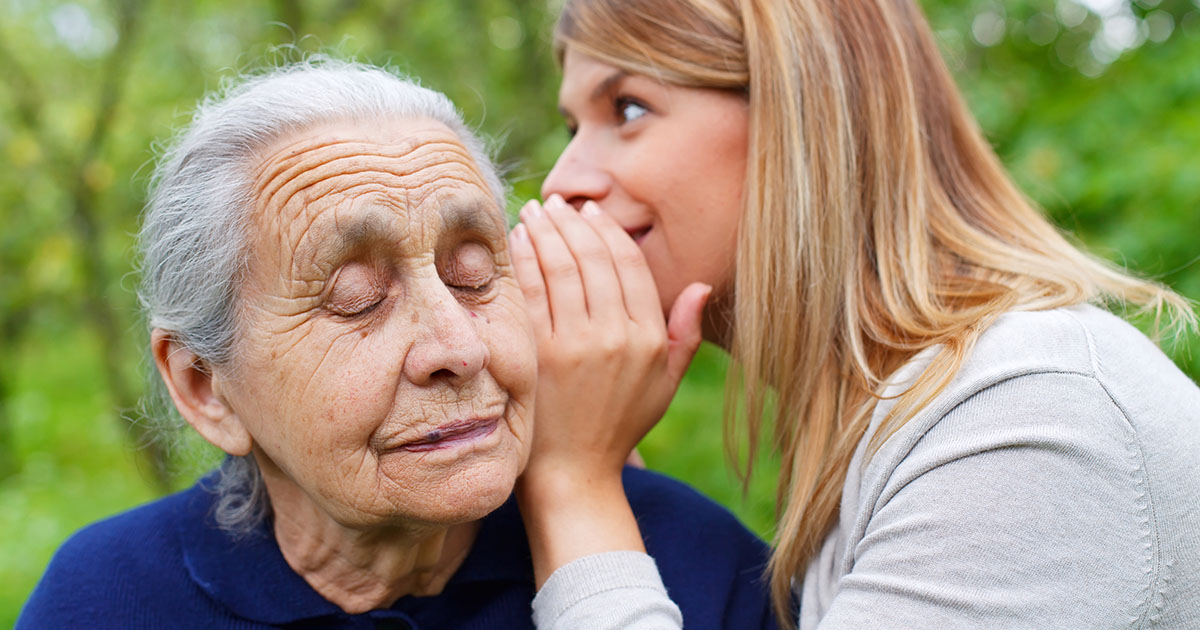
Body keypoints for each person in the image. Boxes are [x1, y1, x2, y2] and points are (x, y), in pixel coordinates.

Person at [507, 1, 1200, 628]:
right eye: (573, 127)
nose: (564, 181)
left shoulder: (1026, 414)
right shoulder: (897, 427)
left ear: (800, 113)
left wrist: (576, 490)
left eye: (628, 108)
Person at [16, 58, 777, 630]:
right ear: (204, 387)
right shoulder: (108, 598)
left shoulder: (688, 568)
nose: (457, 347)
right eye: (357, 301)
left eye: (476, 275)